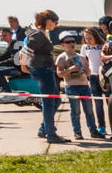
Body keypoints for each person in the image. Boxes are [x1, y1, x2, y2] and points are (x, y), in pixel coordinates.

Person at [25, 9, 66, 143]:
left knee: (56, 100)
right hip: (42, 70)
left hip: (44, 70)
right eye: (55, 21)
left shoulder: (41, 33)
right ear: (48, 21)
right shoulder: (38, 34)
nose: (56, 24)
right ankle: (51, 134)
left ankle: (44, 129)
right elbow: (26, 49)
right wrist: (23, 65)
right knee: (49, 102)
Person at [56, 31, 99, 140]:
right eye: (68, 42)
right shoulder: (62, 57)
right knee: (75, 111)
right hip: (71, 86)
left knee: (89, 111)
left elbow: (88, 73)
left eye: (73, 41)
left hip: (84, 85)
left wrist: (86, 70)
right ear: (63, 44)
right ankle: (77, 132)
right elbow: (59, 74)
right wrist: (71, 69)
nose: (71, 44)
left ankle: (93, 131)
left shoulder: (81, 57)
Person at [80, 26, 107, 136]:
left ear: (95, 36)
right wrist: (84, 71)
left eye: (90, 38)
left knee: (109, 101)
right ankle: (101, 126)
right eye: (86, 38)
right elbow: (82, 60)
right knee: (98, 103)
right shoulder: (85, 47)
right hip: (93, 77)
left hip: (104, 76)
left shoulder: (103, 45)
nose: (88, 40)